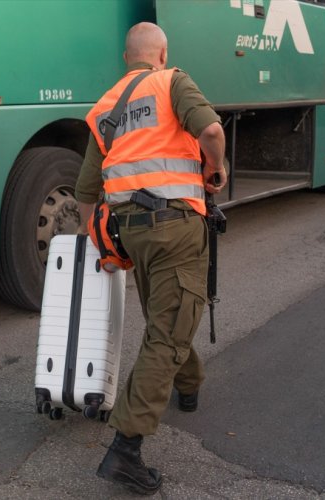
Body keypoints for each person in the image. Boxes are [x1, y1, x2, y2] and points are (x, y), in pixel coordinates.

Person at [75, 22, 227, 495]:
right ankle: (126, 449)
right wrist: (215, 170)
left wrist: (97, 239)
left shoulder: (104, 108)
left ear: (127, 58)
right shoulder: (172, 81)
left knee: (168, 316)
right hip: (177, 227)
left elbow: (84, 193)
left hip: (130, 233)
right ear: (162, 53)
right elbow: (212, 130)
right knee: (169, 329)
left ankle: (189, 383)